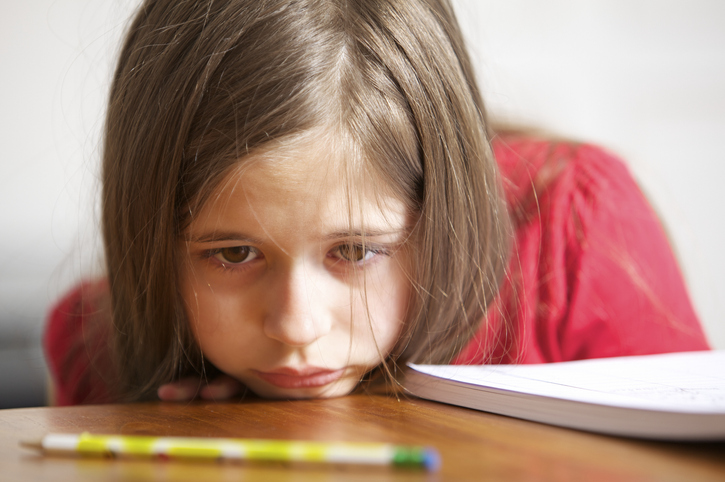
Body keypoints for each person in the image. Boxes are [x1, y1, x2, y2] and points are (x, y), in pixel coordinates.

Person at [44, 0, 709, 406]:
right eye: (233, 253)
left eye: (356, 250)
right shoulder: (93, 346)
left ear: (441, 206)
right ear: (147, 232)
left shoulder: (575, 223)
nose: (297, 327)